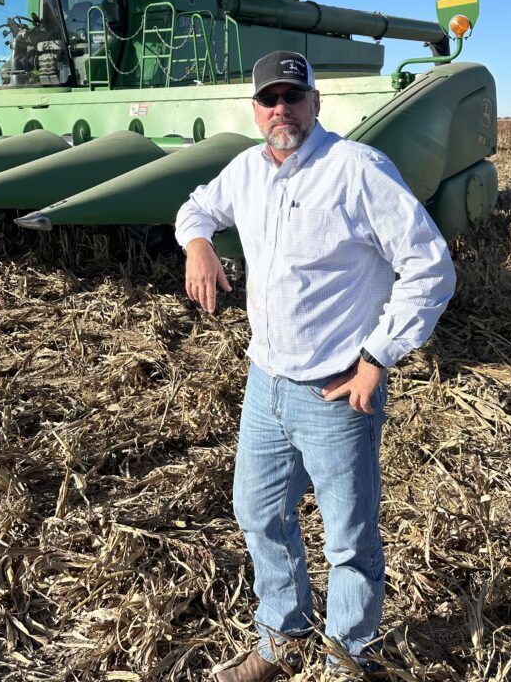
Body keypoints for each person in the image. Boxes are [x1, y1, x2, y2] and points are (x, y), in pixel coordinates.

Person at [175, 51, 456, 681]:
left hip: (336, 391)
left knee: (349, 540)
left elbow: (430, 268)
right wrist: (198, 243)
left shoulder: (357, 171)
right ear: (254, 109)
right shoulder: (246, 170)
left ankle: (350, 656)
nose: (282, 110)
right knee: (258, 512)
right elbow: (196, 208)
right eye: (269, 99)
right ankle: (283, 637)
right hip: (265, 383)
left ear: (315, 104)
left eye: (293, 97)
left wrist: (377, 357)